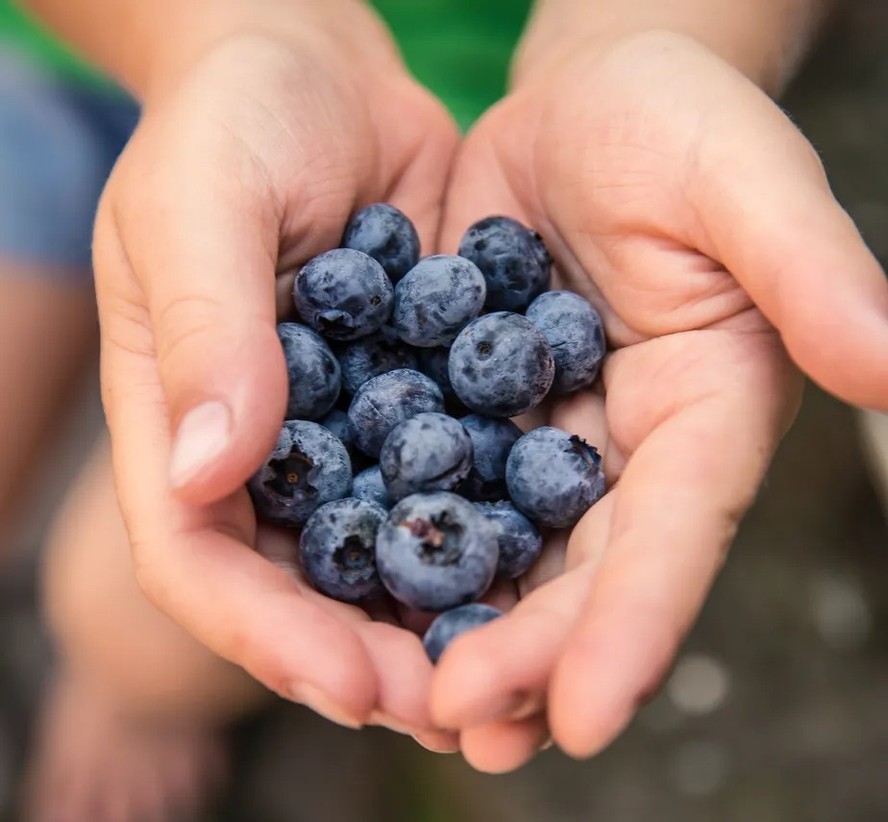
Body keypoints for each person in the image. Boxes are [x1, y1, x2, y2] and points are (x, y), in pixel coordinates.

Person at [1, 0, 886, 818]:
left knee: (132, 620)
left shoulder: (445, 416)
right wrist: (217, 39)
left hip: (493, 121)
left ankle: (129, 694)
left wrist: (658, 37)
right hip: (86, 65)